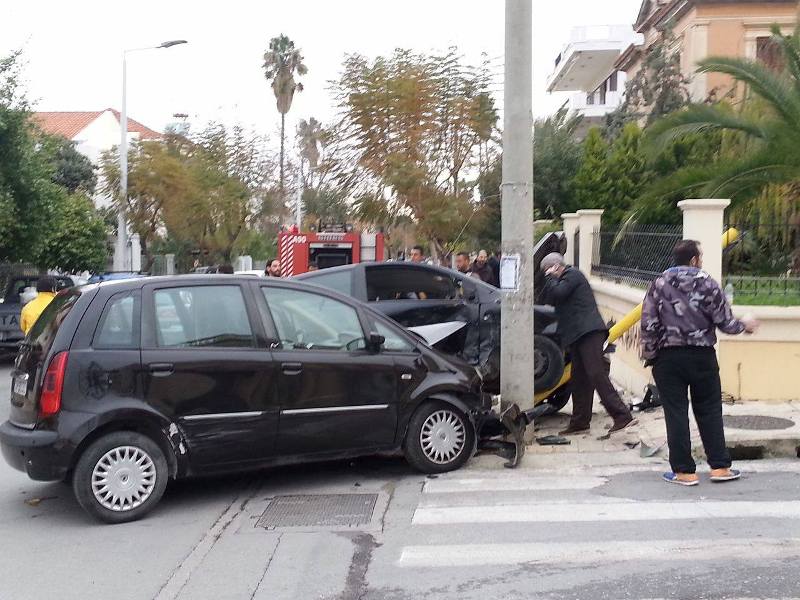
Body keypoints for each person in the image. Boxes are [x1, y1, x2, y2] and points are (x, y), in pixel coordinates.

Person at [641, 240, 759, 486]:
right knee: (709, 410)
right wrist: (744, 326)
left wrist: (651, 355)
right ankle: (719, 467)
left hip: (668, 358)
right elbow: (725, 321)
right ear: (694, 259)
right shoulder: (708, 283)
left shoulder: (659, 284)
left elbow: (649, 323)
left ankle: (684, 472)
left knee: (676, 412)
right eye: (700, 257)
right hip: (702, 357)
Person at [539, 252, 636, 435]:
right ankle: (580, 422)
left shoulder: (573, 274)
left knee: (596, 373)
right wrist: (549, 279)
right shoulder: (560, 280)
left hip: (589, 332)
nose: (547, 275)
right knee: (579, 380)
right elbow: (550, 298)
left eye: (547, 270)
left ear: (556, 266)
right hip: (577, 335)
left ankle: (622, 416)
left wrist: (550, 277)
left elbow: (559, 293)